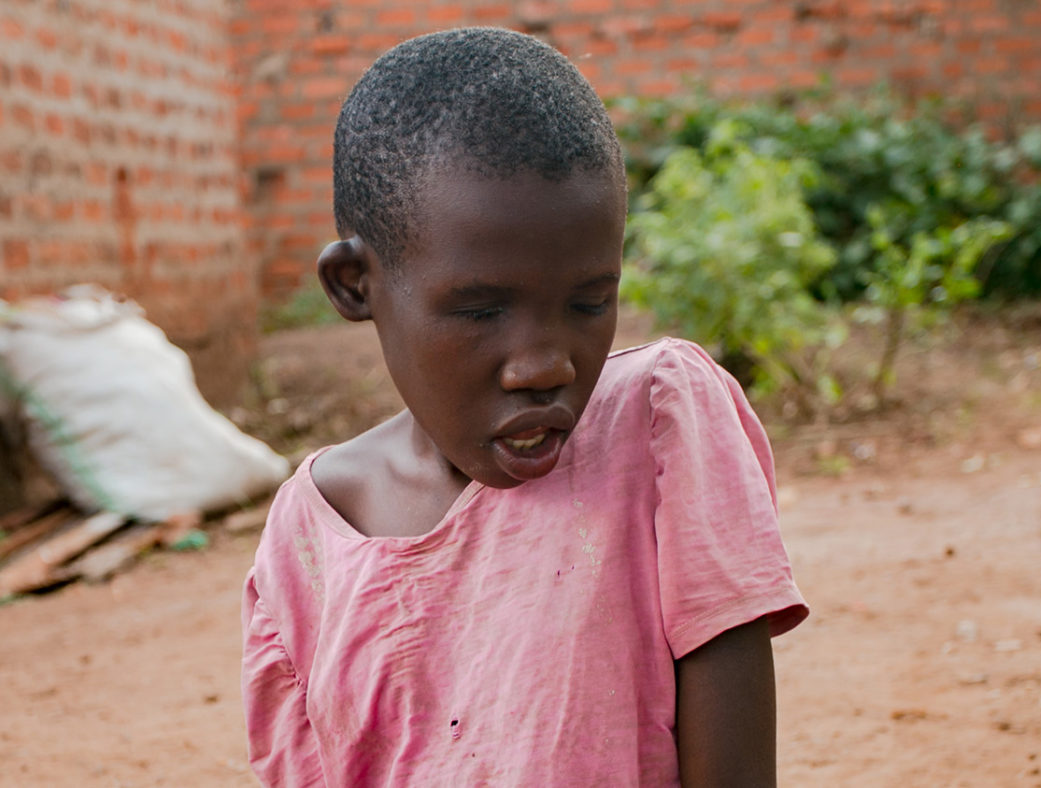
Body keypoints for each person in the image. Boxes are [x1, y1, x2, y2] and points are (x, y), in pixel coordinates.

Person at [241, 27, 807, 786]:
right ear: (354, 286)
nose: (546, 363)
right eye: (479, 311)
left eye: (588, 302)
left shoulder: (661, 427)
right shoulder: (304, 548)